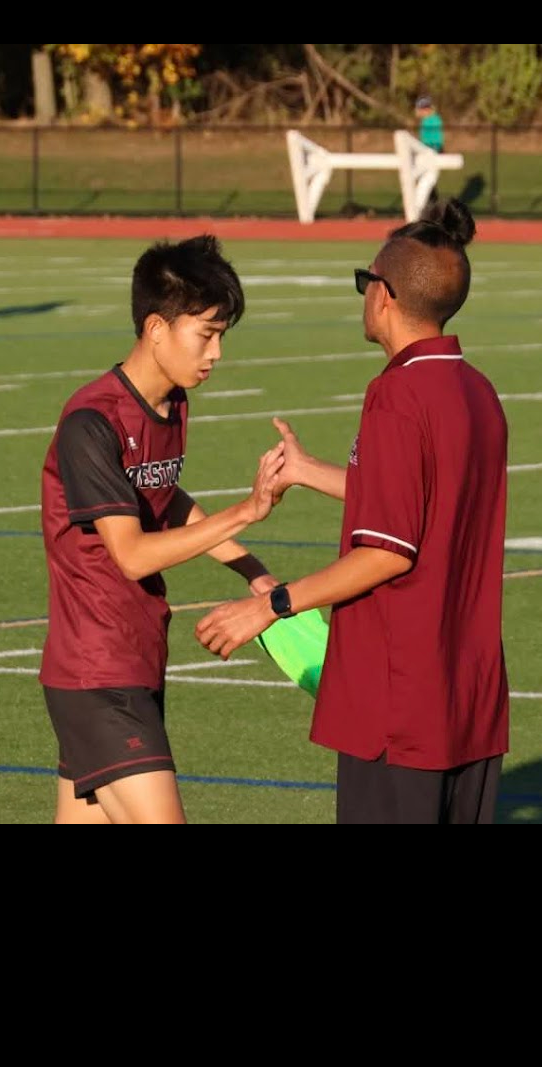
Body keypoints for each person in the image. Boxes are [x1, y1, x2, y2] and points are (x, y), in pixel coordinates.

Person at [195, 198, 509, 825]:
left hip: (400, 707)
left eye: (365, 280)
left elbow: (388, 552)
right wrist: (309, 470)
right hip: (469, 701)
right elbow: (425, 506)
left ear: (384, 295)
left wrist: (269, 606)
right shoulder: (476, 390)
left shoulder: (397, 394)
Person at [40, 234, 284, 825]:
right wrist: (247, 509)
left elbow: (164, 499)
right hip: (96, 672)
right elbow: (132, 555)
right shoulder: (91, 423)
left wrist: (252, 570)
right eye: (206, 334)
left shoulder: (172, 404)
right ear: (156, 328)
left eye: (222, 335)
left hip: (137, 657)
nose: (216, 352)